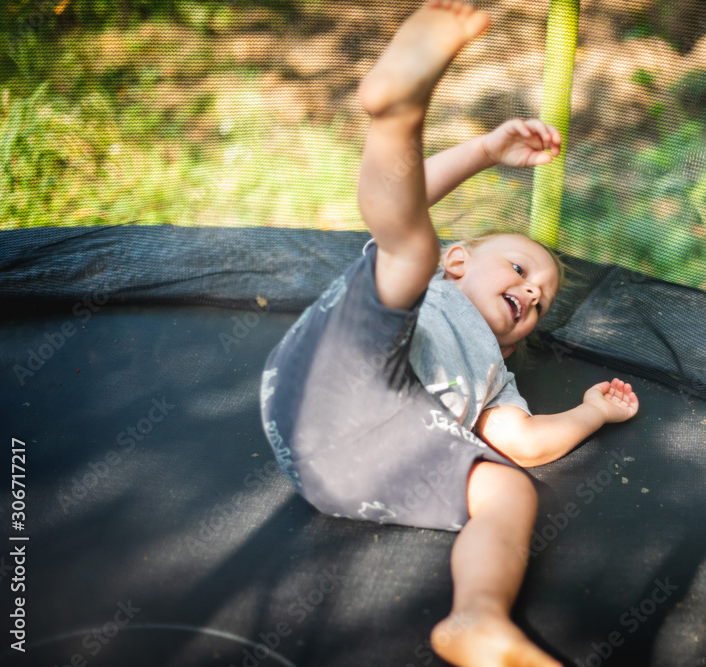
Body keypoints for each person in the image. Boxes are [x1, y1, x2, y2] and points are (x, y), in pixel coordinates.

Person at [259, 2, 639, 665]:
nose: (530, 290)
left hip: (350, 467)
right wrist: (487, 150)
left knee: (509, 487)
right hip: (325, 381)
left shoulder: (495, 374)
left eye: (540, 299)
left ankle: (477, 618)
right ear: (460, 262)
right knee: (405, 248)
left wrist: (588, 412)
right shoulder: (436, 280)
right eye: (520, 268)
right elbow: (411, 203)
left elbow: (523, 442)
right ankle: (397, 112)